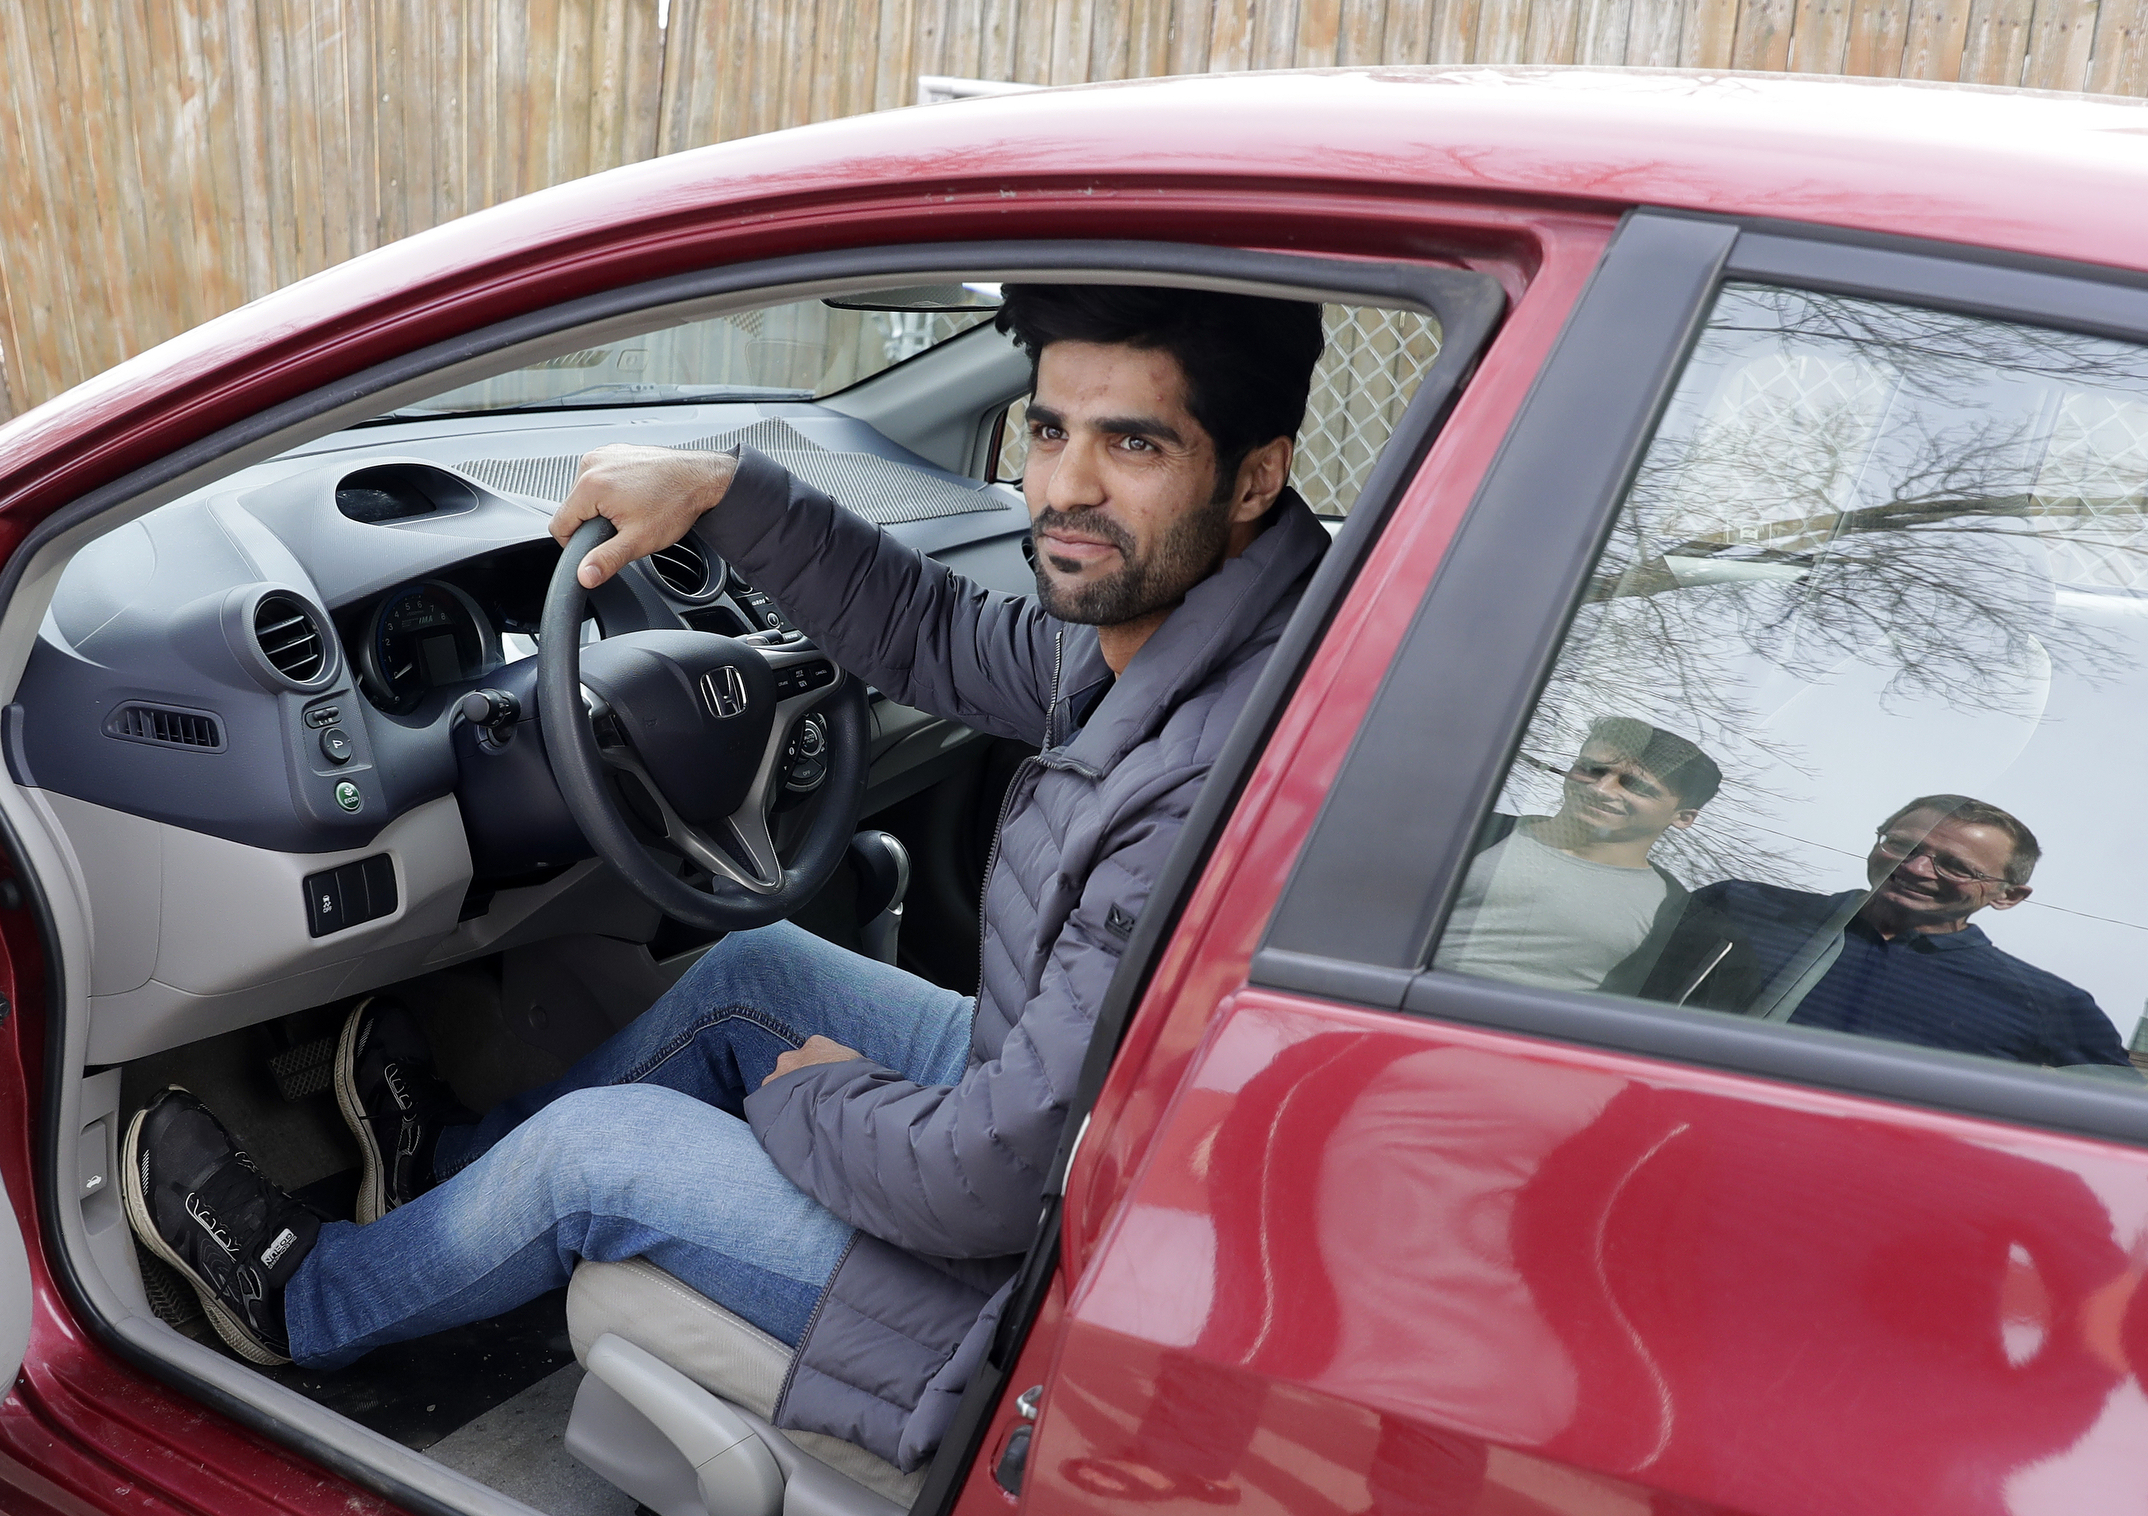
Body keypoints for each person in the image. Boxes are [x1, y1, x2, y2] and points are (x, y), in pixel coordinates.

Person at [121, 284, 1335, 1472]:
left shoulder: (1205, 772)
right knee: (756, 972)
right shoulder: (1199, 639)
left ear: (1255, 474)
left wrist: (819, 1095)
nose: (1064, 487)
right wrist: (724, 490)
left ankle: (308, 1302)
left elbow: (989, 1183)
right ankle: (444, 1172)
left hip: (1025, 1307)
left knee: (594, 1152)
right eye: (1050, 428)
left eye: (1133, 442)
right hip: (1108, 1159)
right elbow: (941, 637)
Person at [1683, 795, 2130, 1068]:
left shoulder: (2047, 1004)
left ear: (2008, 896)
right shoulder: (1742, 906)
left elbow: (2113, 1126)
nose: (1915, 868)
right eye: (1901, 845)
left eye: (1954, 866)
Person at [1437, 717, 1752, 1004]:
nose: (1601, 789)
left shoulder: (1688, 930)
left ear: (1683, 817)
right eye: (1592, 770)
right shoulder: (1463, 833)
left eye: (1635, 786)